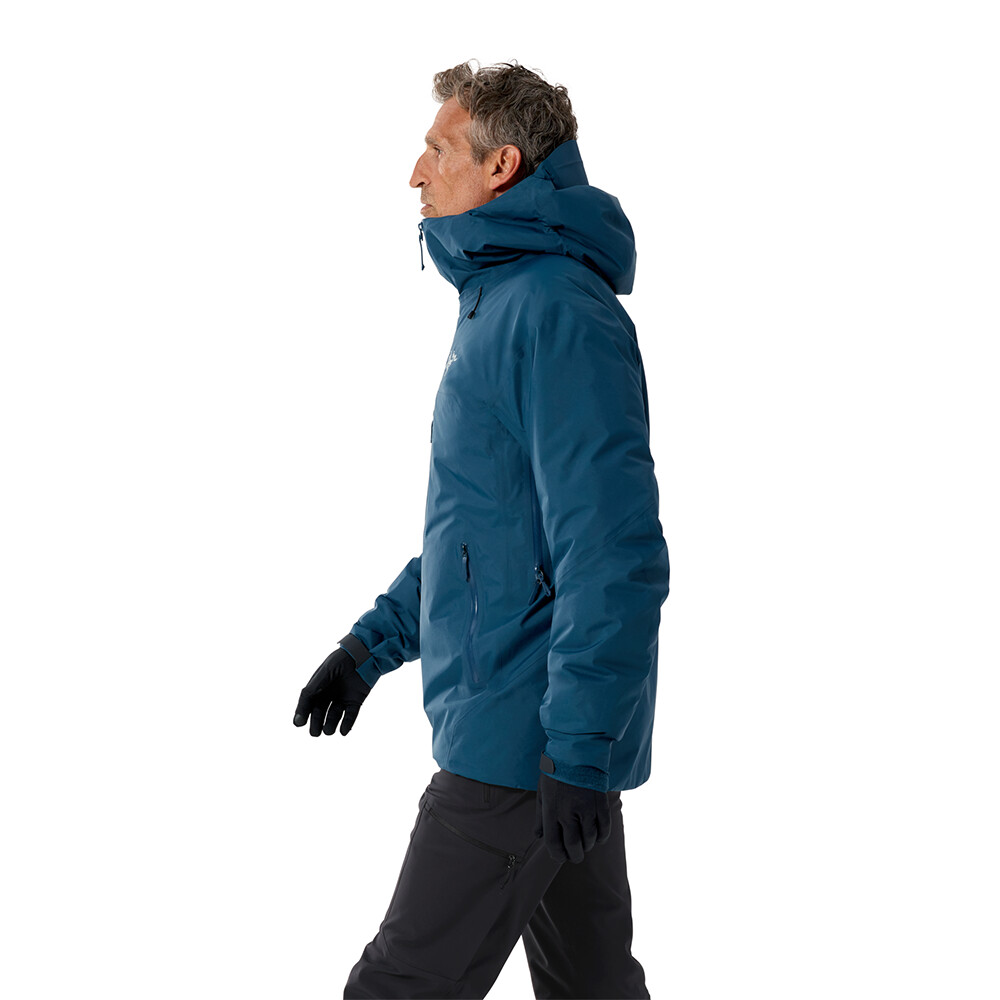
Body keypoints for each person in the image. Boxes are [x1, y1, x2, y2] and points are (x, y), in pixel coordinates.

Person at [293, 59, 670, 999]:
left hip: (521, 740)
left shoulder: (555, 311)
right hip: (540, 734)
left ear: (501, 166)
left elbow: (612, 551)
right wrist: (367, 647)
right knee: (591, 985)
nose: (414, 174)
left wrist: (577, 747)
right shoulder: (504, 304)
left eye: (437, 149)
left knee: (401, 984)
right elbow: (486, 536)